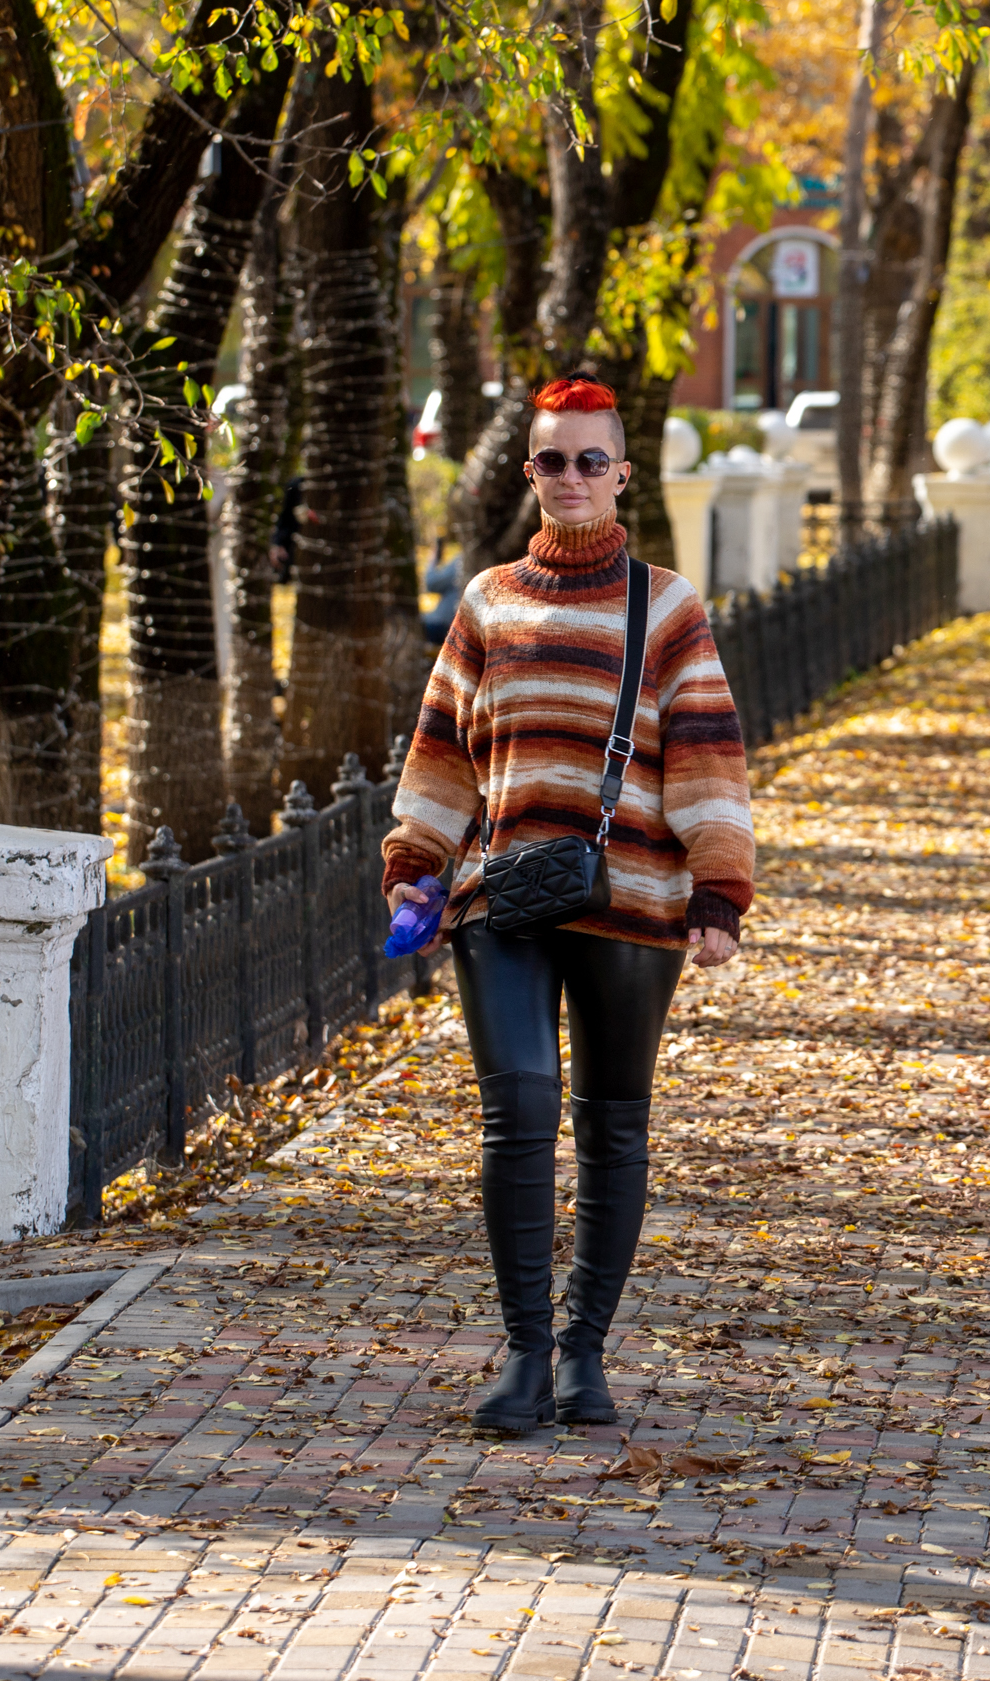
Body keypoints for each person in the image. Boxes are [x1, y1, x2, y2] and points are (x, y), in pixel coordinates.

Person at [381, 376, 754, 1437]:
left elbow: (708, 754)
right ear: (529, 470)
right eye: (554, 459)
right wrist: (414, 858)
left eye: (593, 459)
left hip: (633, 897)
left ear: (623, 471)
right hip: (500, 894)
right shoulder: (490, 599)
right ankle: (524, 1350)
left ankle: (588, 1351)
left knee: (613, 1124)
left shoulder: (666, 604)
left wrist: (720, 888)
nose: (574, 477)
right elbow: (443, 746)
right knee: (519, 1105)